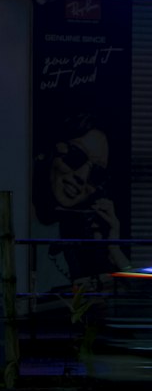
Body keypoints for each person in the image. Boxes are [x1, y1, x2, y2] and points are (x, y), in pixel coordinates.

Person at [31, 115, 129, 294]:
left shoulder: (80, 235)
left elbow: (131, 299)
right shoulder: (23, 223)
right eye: (76, 156)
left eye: (96, 173)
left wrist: (113, 248)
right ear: (49, 151)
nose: (82, 177)